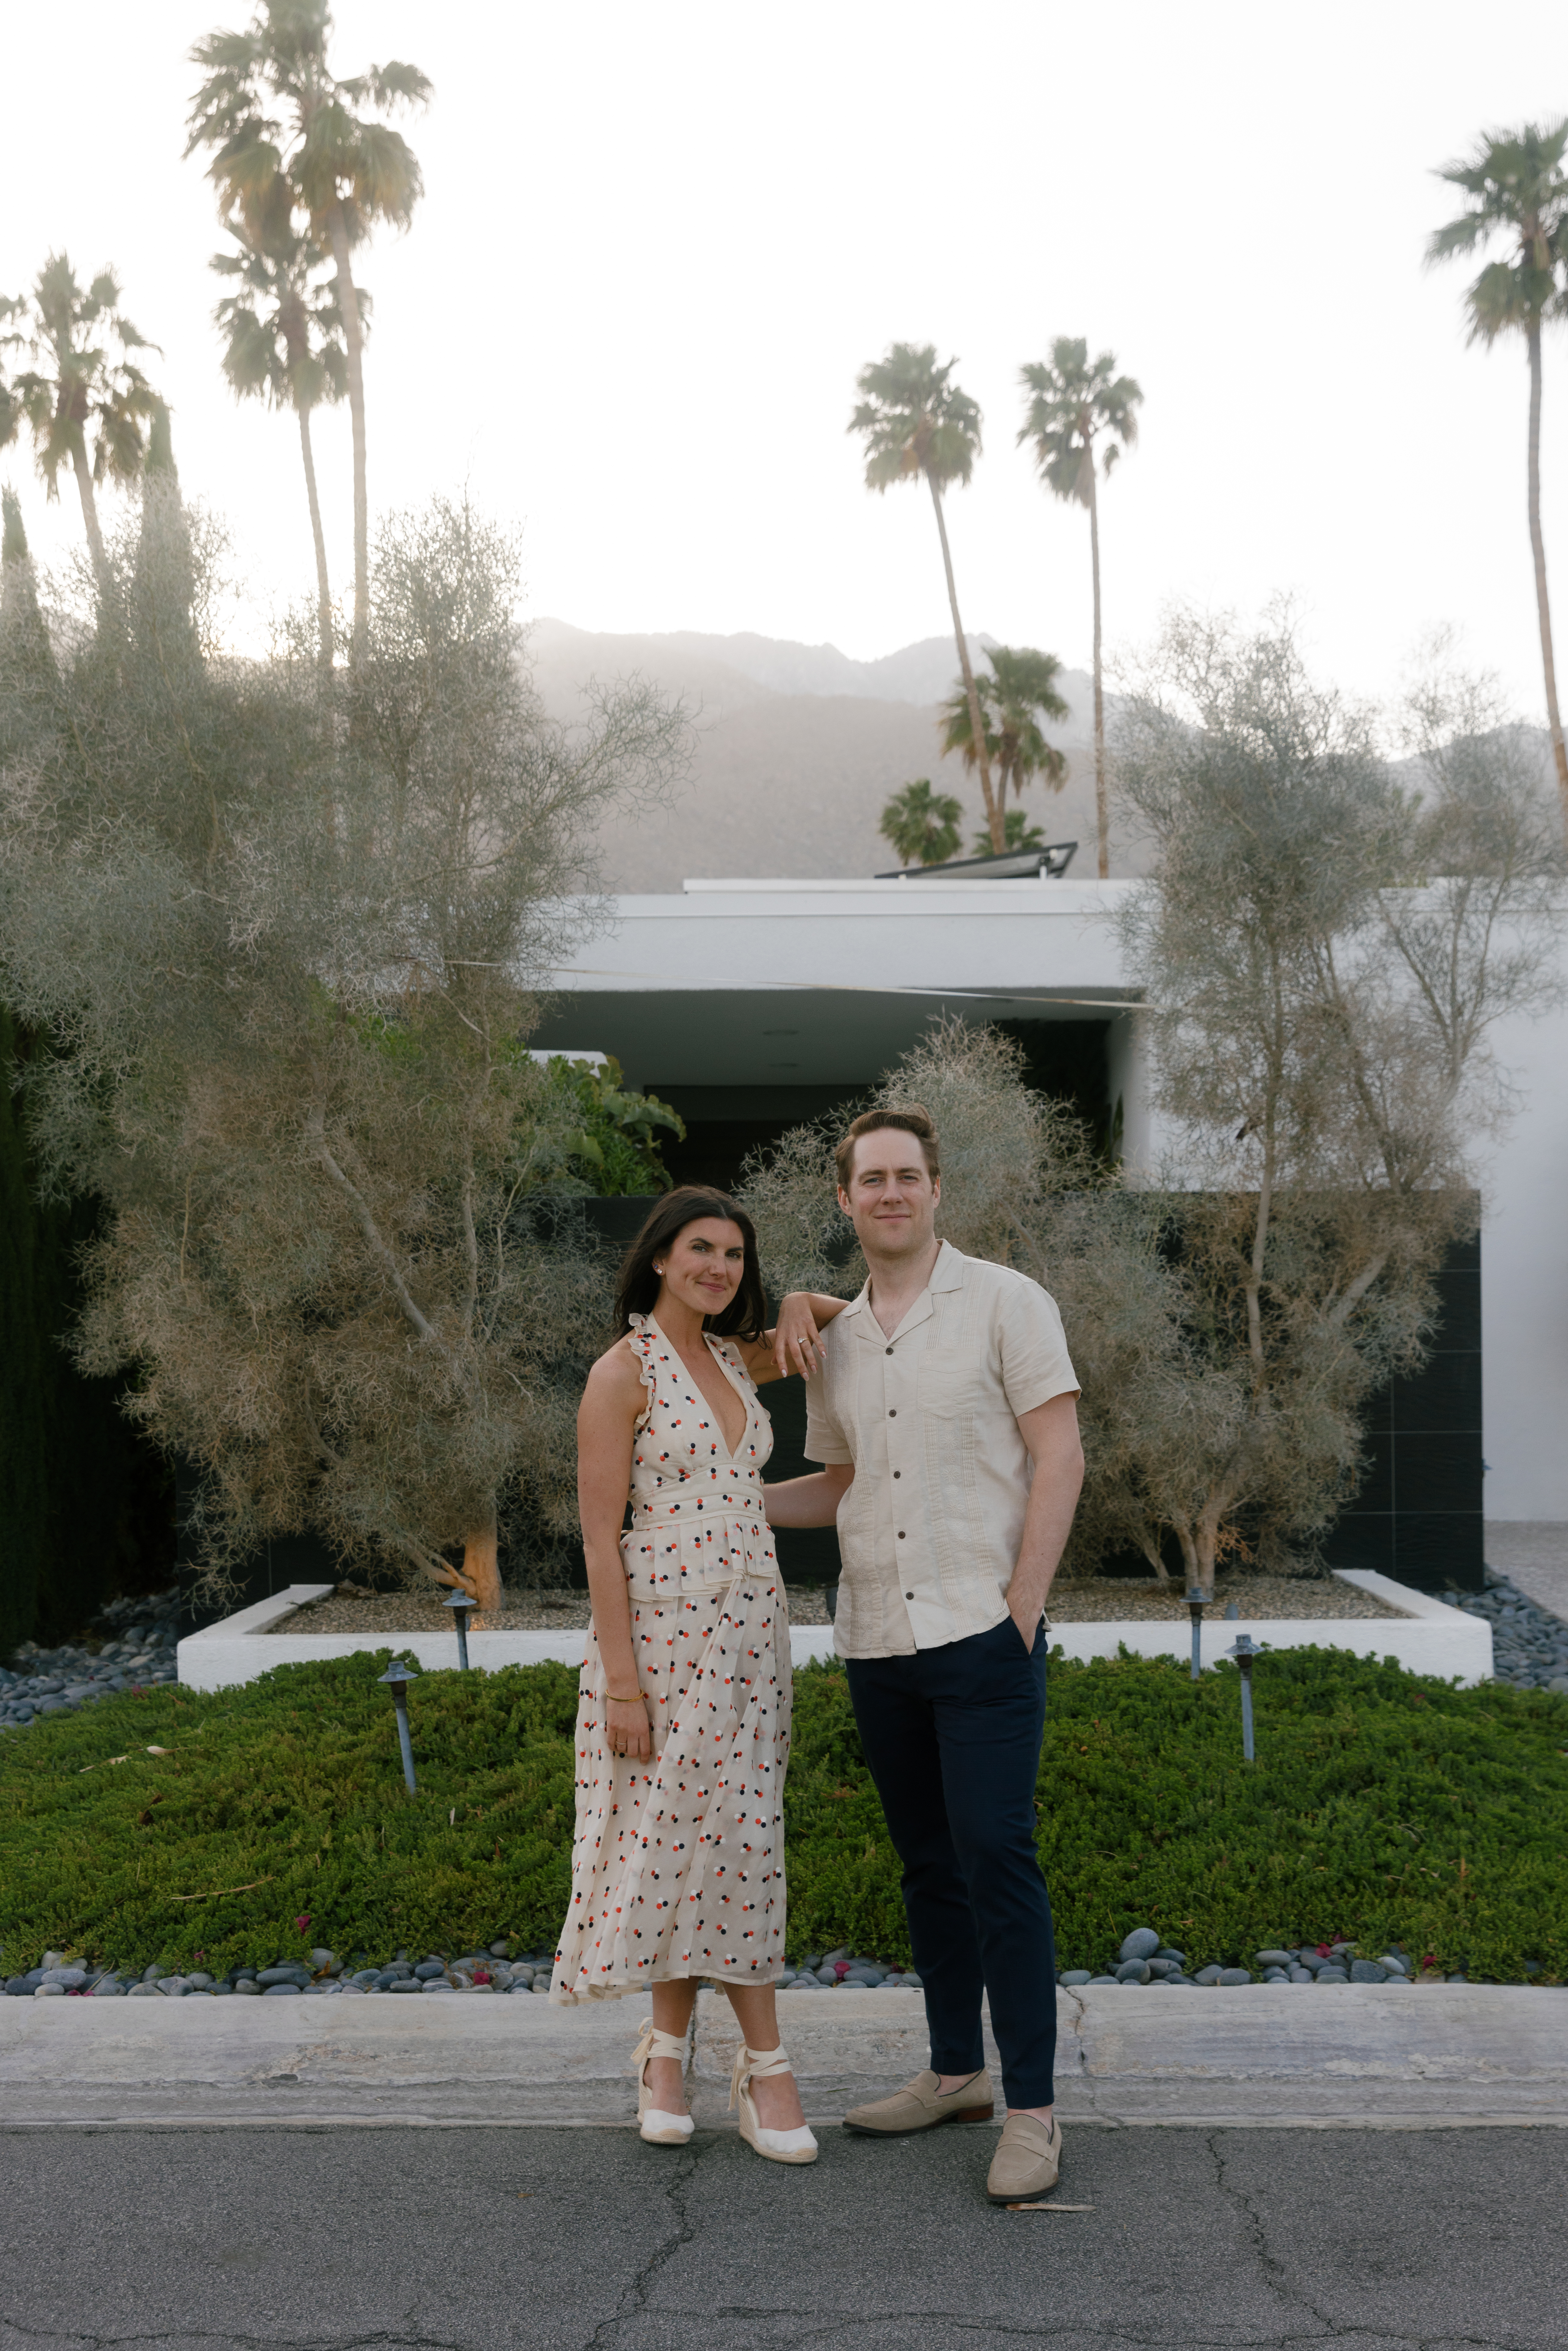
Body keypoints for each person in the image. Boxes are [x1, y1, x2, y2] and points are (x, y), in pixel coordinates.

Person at [767, 1105, 1083, 2205]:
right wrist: (720, 1498)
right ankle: (957, 2072)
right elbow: (840, 1484)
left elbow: (1060, 1455)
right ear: (844, 1198)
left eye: (908, 1175)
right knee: (926, 1867)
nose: (890, 1193)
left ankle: (1034, 2111)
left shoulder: (1007, 1300)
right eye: (871, 1179)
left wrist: (1023, 1610)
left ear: (936, 1188)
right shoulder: (834, 1337)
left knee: (999, 1859)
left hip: (983, 1634)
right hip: (876, 1639)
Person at [551, 1185, 847, 2166]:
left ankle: (667, 2052)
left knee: (732, 1833)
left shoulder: (734, 1356)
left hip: (751, 1639)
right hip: (662, 1642)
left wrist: (802, 1296)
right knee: (685, 1834)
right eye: (700, 1249)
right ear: (660, 1258)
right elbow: (600, 1539)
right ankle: (762, 2067)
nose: (718, 1267)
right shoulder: (619, 1371)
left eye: (734, 1254)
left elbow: (856, 1315)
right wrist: (624, 1688)